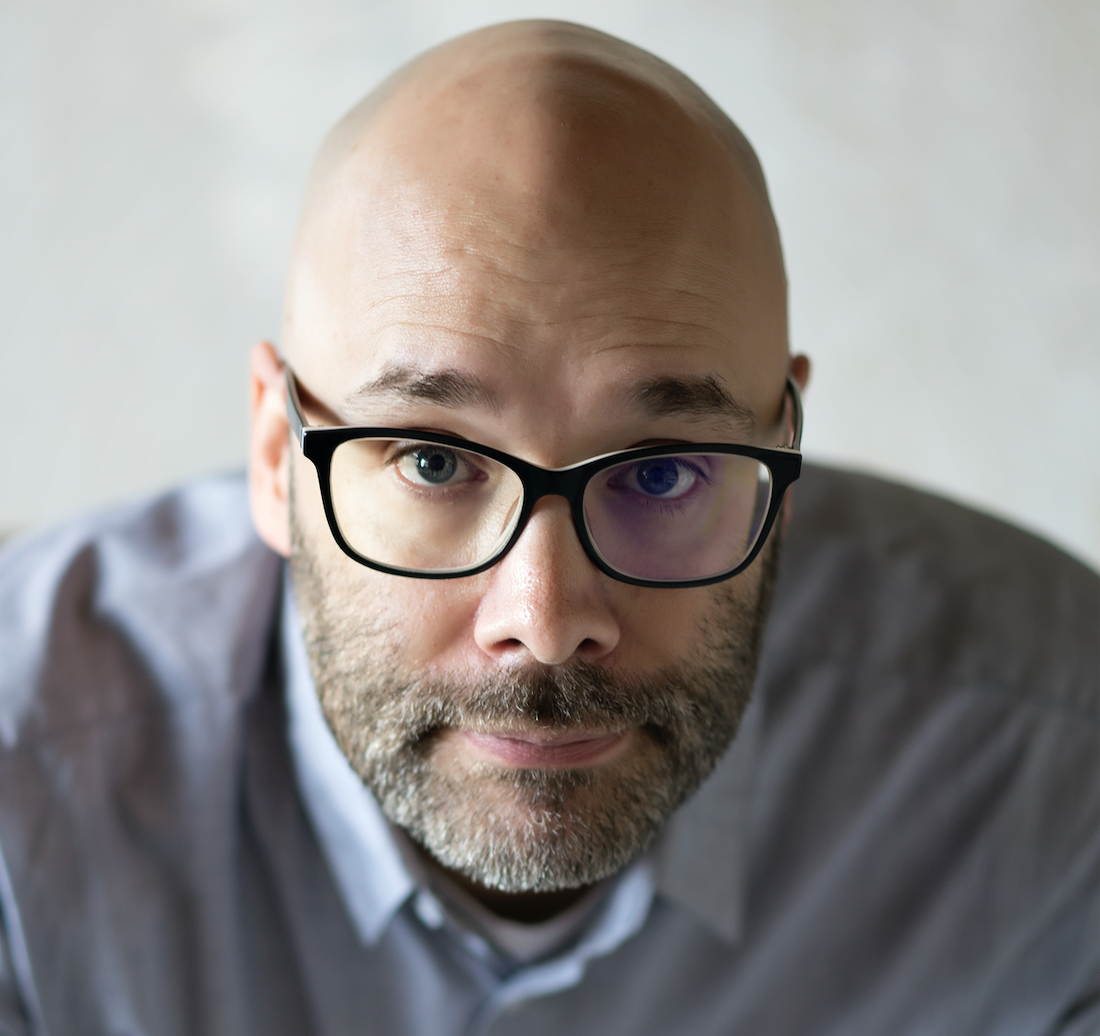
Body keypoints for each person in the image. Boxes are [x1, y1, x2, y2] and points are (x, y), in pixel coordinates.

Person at [0, 19, 1097, 1036]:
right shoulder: (25, 791)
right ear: (277, 456)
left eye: (661, 472)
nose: (545, 616)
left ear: (784, 455)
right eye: (433, 460)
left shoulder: (1050, 764)